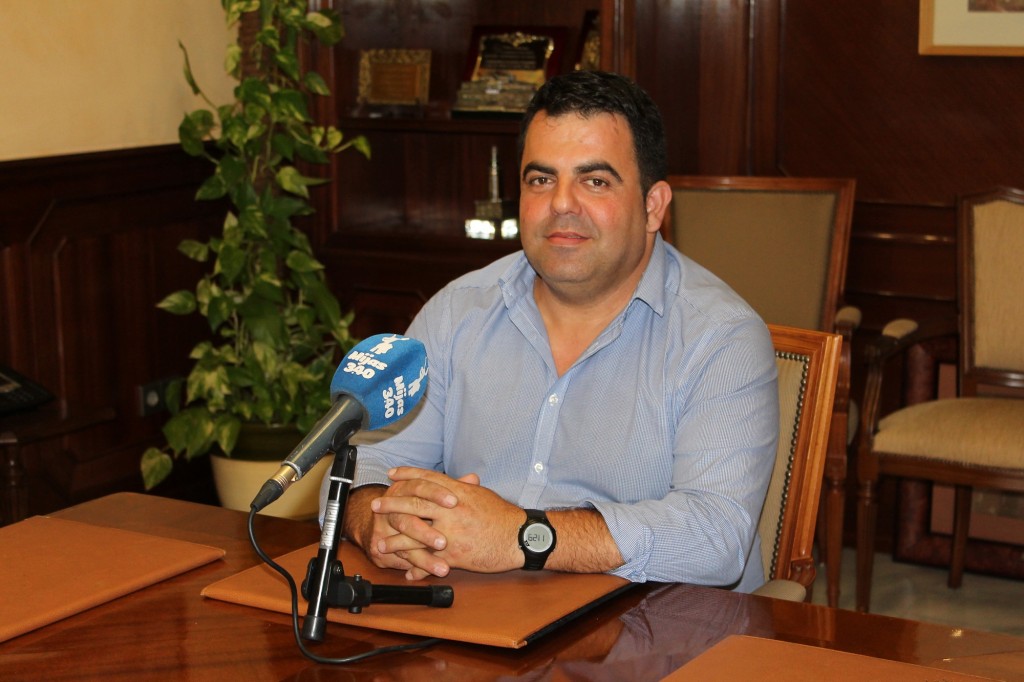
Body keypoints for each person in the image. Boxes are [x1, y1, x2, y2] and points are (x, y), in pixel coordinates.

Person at [327, 70, 779, 591]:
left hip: (651, 623)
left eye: (595, 181)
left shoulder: (721, 337)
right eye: (541, 180)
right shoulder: (457, 311)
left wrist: (524, 536)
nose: (562, 203)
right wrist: (377, 523)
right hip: (475, 611)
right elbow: (366, 462)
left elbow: (716, 537)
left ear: (653, 206)